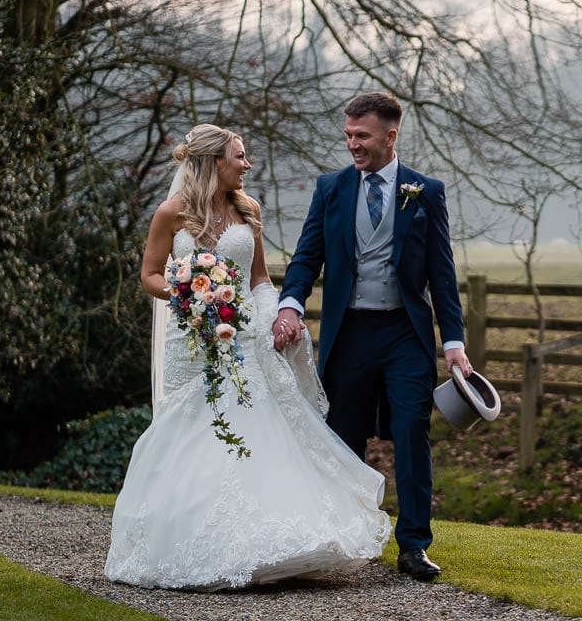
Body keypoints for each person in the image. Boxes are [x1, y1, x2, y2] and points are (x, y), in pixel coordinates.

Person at [105, 123, 391, 591]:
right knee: (191, 431)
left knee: (255, 428)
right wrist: (186, 295)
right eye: (239, 156)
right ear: (215, 161)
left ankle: (269, 543)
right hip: (192, 340)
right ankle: (194, 543)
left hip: (243, 336)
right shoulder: (171, 213)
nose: (247, 164)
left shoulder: (247, 209)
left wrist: (268, 319)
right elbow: (150, 274)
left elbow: (259, 279)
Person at [274, 92, 470, 582]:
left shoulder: (425, 192)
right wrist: (290, 305)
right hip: (351, 333)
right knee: (343, 439)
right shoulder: (331, 188)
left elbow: (442, 275)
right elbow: (306, 257)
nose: (353, 144)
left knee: (411, 433)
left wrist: (454, 343)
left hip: (406, 334)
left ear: (390, 135)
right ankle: (342, 538)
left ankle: (414, 547)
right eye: (348, 135)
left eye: (361, 135)